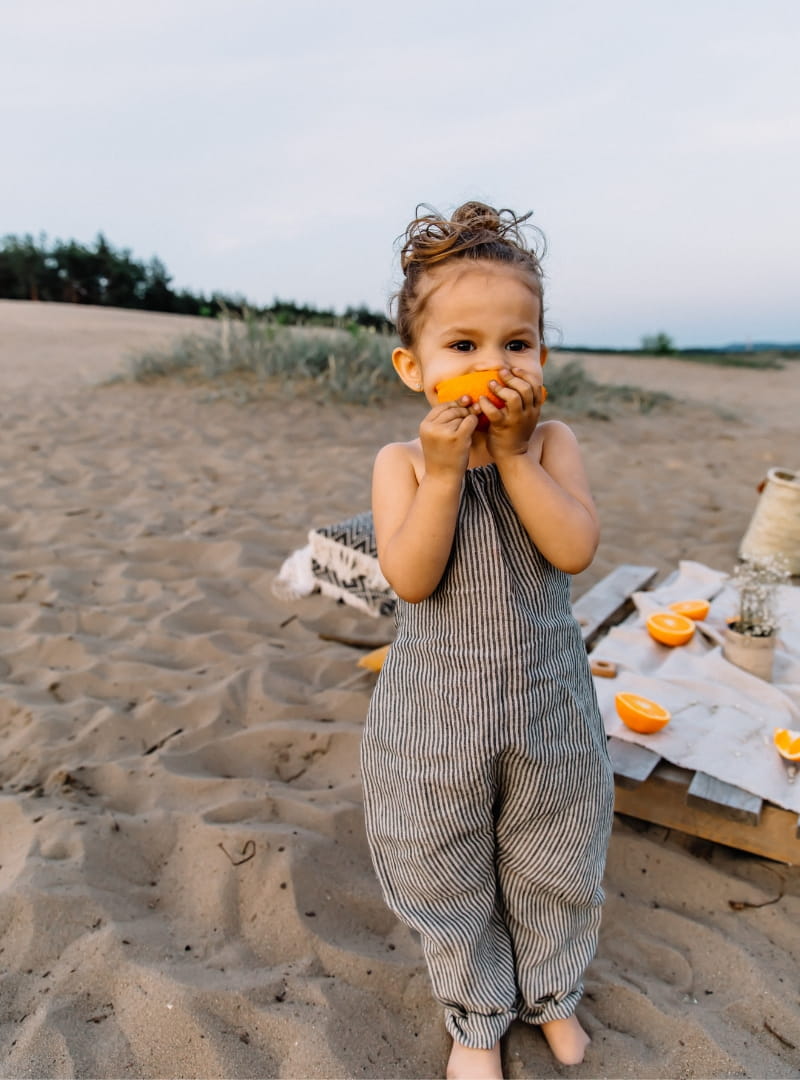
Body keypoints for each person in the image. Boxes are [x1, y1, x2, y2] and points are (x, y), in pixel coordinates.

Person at [360, 201, 614, 1080]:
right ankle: (476, 1016)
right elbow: (413, 577)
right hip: (437, 714)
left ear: (542, 355)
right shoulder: (403, 463)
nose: (492, 365)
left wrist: (513, 458)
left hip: (547, 702)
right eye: (462, 346)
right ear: (414, 367)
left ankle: (551, 995)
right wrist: (443, 476)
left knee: (557, 855)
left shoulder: (551, 442)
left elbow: (573, 548)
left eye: (517, 343)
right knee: (443, 861)